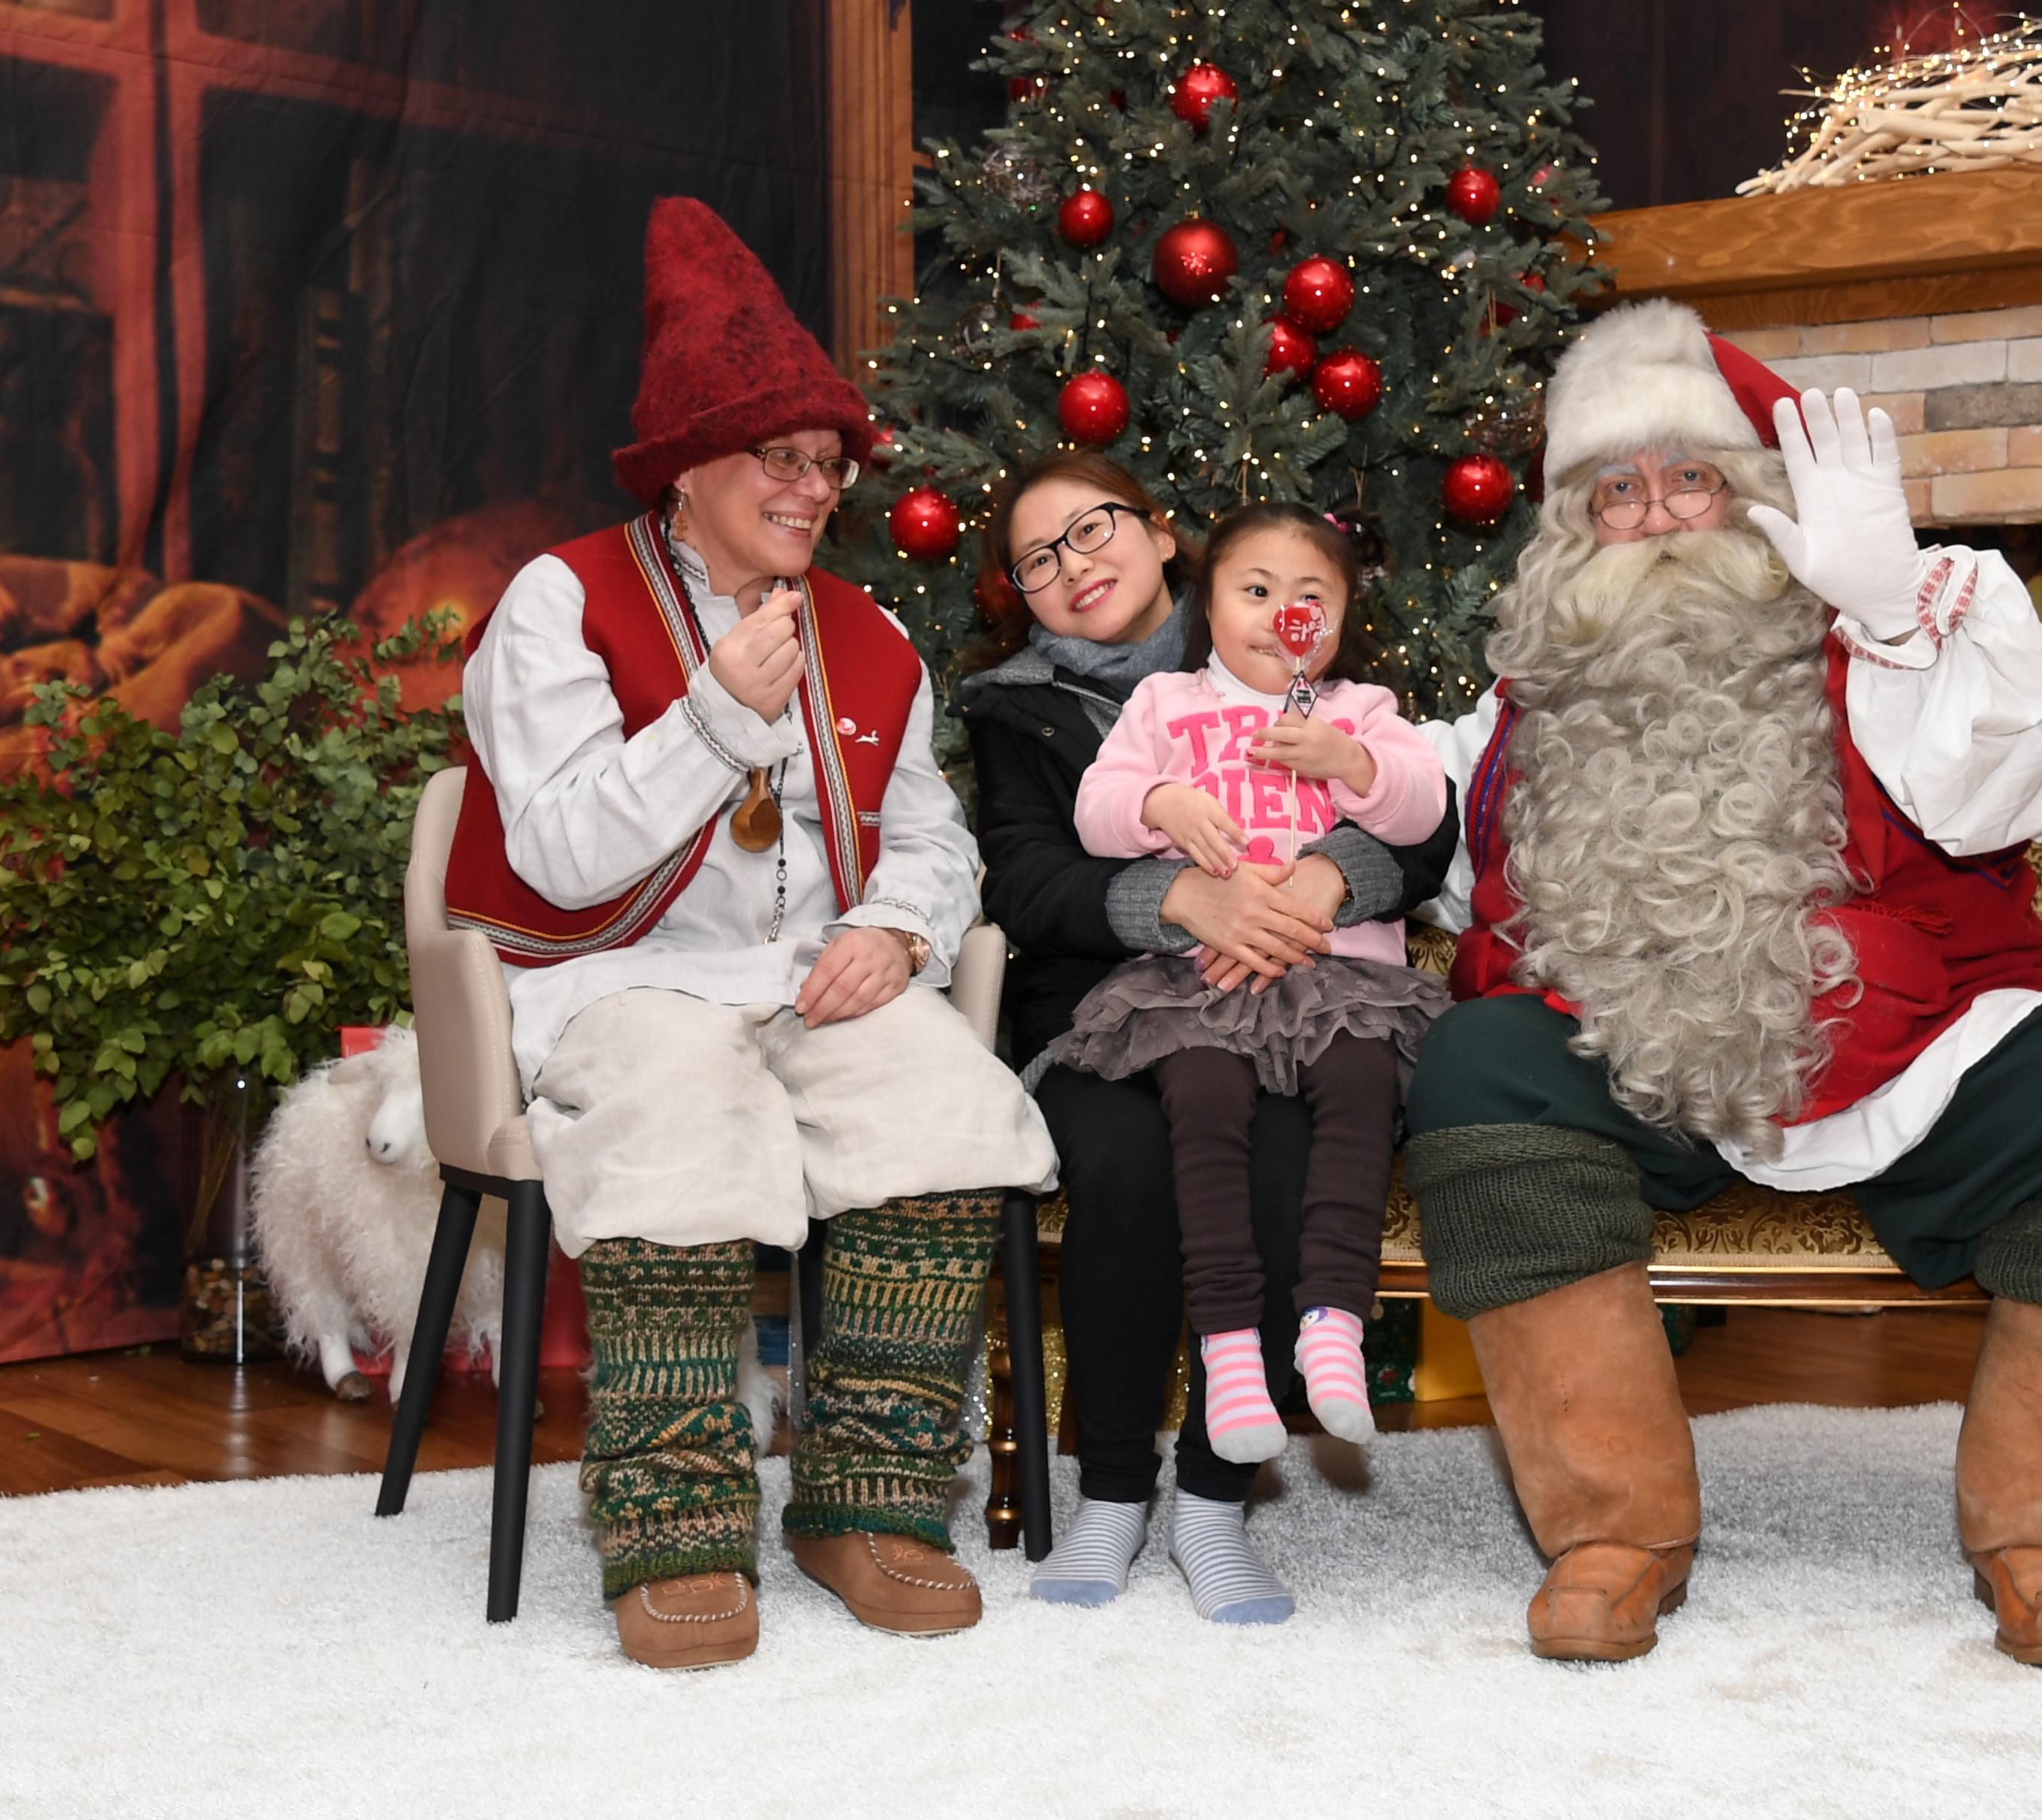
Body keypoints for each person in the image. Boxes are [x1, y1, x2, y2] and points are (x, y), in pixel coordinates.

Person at [1404, 300, 2042, 1666]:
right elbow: (1409, 826)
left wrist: (1897, 611)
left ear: (1759, 498)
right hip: (1634, 1060)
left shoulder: (1902, 625)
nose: (1660, 515)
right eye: (1617, 489)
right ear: (1571, 527)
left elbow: (2022, 774)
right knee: (1480, 1066)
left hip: (1912, 1056)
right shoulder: (1517, 705)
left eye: (1692, 478)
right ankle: (1612, 1531)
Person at [447, 198, 1057, 1669]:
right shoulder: (561, 602)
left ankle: (866, 1499)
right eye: (780, 456)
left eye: (828, 460)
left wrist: (903, 930)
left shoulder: (873, 635)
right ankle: (673, 1521)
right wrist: (719, 713)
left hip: (805, 981)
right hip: (610, 980)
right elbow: (565, 846)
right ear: (690, 466)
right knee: (685, 1105)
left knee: (954, 1104)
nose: (813, 485)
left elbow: (930, 837)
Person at [956, 455, 1457, 1624]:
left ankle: (1216, 1505)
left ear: (1163, 535)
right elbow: (1027, 880)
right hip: (1112, 1008)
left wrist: (1326, 882)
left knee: (1287, 1151)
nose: (1074, 566)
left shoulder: (1296, 661)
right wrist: (1180, 899)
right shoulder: (1021, 710)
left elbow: (1420, 833)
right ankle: (1117, 1495)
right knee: (1129, 1168)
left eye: (1093, 530)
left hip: (1304, 975)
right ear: (1017, 594)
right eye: (1039, 558)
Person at [1051, 504, 1450, 1465]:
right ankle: (1230, 1347)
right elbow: (1096, 813)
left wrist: (1352, 764)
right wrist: (1161, 800)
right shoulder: (1164, 706)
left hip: (1339, 976)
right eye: (1256, 591)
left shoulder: (1359, 709)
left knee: (1360, 1094)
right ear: (1210, 603)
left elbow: (1424, 808)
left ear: (1344, 614)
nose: (1281, 614)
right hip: (1202, 978)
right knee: (1201, 1105)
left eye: (1310, 595)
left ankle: (1334, 1322)